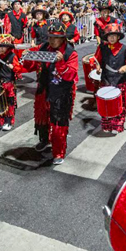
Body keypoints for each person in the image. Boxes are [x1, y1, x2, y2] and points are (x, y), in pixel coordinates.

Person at [24, 22, 79, 165]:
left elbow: (70, 75)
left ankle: (58, 152)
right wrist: (26, 57)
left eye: (56, 37)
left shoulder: (70, 53)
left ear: (63, 38)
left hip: (61, 93)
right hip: (44, 89)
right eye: (50, 37)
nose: (53, 40)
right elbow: (29, 66)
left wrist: (61, 63)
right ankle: (44, 140)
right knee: (42, 119)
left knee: (58, 123)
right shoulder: (42, 48)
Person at [93, 23, 126, 133]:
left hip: (119, 80)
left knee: (118, 103)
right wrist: (97, 66)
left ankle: (117, 124)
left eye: (114, 35)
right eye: (109, 35)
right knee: (106, 103)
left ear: (118, 37)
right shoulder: (102, 47)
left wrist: (125, 67)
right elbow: (96, 59)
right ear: (106, 37)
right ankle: (107, 124)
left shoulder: (125, 49)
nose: (112, 38)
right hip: (106, 79)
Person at [0, 34, 21, 131]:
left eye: (3, 46)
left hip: (9, 83)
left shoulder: (12, 56)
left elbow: (19, 69)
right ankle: (0, 120)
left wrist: (14, 68)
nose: (1, 48)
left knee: (10, 103)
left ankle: (8, 121)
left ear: (8, 47)